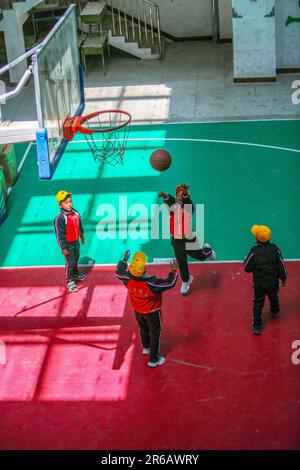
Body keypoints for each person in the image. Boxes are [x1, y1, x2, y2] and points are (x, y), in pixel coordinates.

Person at [115, 250, 178, 368]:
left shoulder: (127, 279)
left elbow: (118, 272)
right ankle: (154, 359)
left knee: (143, 329)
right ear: (144, 269)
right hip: (153, 313)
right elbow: (170, 283)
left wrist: (124, 260)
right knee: (155, 333)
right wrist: (174, 270)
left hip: (138, 312)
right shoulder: (152, 284)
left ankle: (146, 347)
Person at [159, 184, 216, 295]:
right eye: (178, 195)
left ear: (186, 195)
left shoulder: (189, 208)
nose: (180, 197)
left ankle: (208, 251)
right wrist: (165, 196)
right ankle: (186, 281)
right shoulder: (173, 208)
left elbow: (188, 202)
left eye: (182, 195)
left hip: (189, 239)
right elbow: (169, 201)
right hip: (177, 241)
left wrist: (185, 195)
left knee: (199, 257)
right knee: (181, 261)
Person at [244, 224, 288, 335]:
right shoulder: (275, 248)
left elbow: (247, 268)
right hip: (273, 282)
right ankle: (275, 311)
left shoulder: (254, 250)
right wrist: (284, 277)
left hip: (259, 284)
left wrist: (246, 261)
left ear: (256, 238)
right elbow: (281, 264)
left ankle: (257, 326)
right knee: (274, 297)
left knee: (258, 303)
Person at [54, 190, 87, 293]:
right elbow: (60, 235)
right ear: (60, 205)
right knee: (70, 262)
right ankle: (70, 280)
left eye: (70, 201)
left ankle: (76, 274)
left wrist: (81, 235)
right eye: (66, 202)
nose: (69, 204)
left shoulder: (75, 212)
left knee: (76, 258)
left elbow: (79, 225)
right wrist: (63, 248)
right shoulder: (60, 218)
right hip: (67, 245)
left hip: (75, 241)